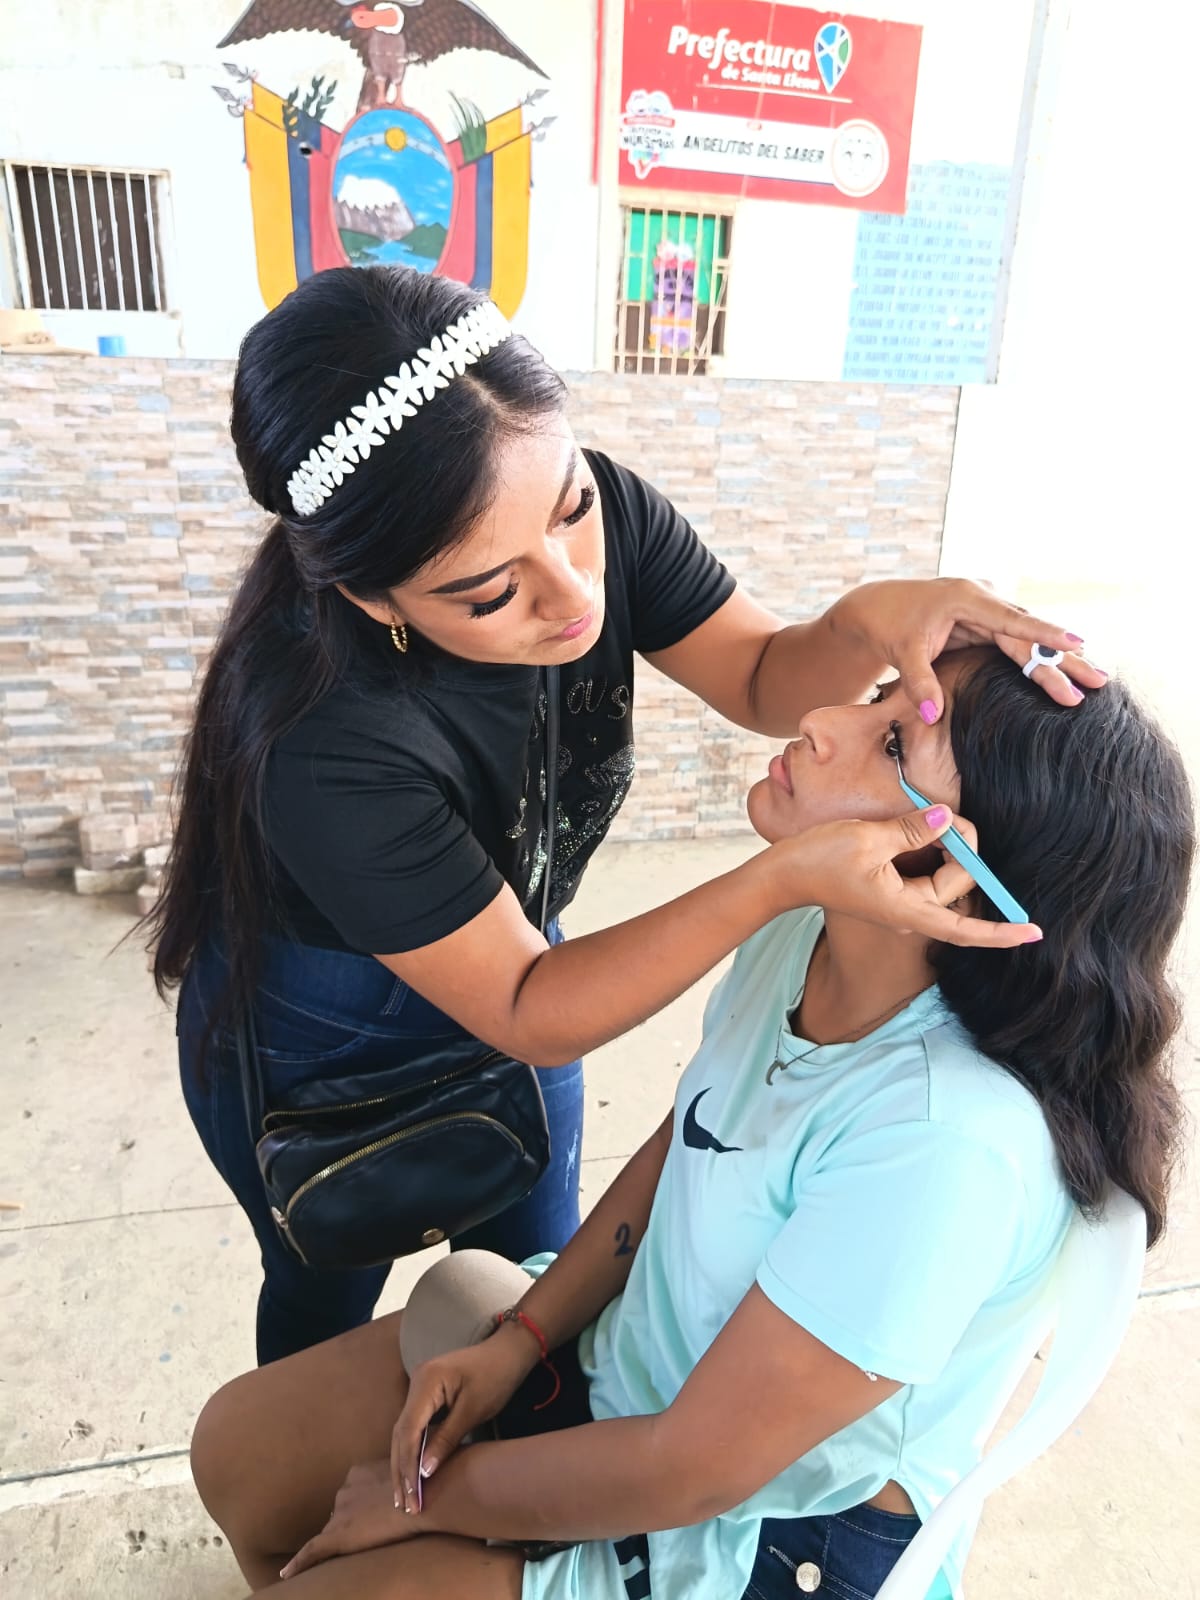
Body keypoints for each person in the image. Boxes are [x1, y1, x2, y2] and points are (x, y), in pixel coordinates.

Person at [149, 263, 1100, 1365]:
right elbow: (524, 1001)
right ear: (371, 597)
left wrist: (864, 622)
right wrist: (776, 881)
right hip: (330, 1026)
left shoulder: (600, 511)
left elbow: (759, 674)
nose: (576, 596)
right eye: (492, 592)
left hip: (526, 948)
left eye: (572, 513)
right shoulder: (327, 736)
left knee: (532, 1282)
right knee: (323, 1287)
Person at [189, 648, 1192, 1599]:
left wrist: (422, 1503)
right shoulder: (805, 934)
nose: (823, 720)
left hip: (738, 1534)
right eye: (878, 695)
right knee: (235, 1452)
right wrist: (522, 1338)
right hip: (630, 1379)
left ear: (965, 874)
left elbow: (692, 1470)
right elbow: (695, 1134)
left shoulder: (946, 1141)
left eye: (894, 742)